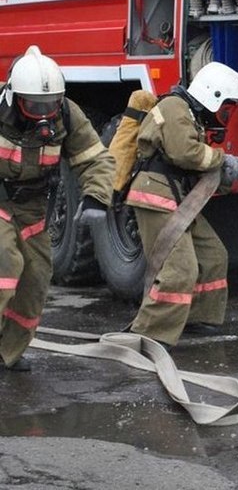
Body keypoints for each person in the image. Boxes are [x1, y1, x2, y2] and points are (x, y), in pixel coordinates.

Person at [0, 45, 115, 372]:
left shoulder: (66, 114)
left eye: (51, 104)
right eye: (34, 105)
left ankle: (8, 351)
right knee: (4, 264)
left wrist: (95, 197)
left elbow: (95, 159)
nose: (44, 114)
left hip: (33, 208)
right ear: (13, 97)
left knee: (36, 279)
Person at [125, 62, 238, 350]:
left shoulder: (190, 114)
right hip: (155, 194)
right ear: (213, 94)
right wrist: (223, 160)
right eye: (227, 104)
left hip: (177, 195)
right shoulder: (174, 107)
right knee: (179, 269)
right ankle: (151, 333)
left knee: (213, 256)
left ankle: (197, 318)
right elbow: (185, 152)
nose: (227, 111)